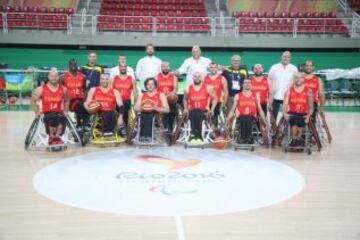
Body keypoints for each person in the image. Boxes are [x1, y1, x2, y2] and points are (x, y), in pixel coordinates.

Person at [31, 69, 69, 145]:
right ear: (48, 77)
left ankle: (57, 137)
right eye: (51, 76)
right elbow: (32, 100)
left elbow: (67, 100)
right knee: (52, 117)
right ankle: (51, 137)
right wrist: (36, 112)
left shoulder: (64, 89)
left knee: (62, 117)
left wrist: (66, 110)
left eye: (55, 76)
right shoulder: (41, 89)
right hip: (47, 113)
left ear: (58, 77)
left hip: (59, 112)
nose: (54, 78)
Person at [227, 79, 266, 144]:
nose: (247, 84)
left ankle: (244, 138)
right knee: (244, 117)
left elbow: (260, 109)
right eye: (245, 83)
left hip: (252, 118)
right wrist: (227, 121)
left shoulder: (256, 95)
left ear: (251, 85)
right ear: (242, 85)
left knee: (247, 117)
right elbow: (232, 109)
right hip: (240, 117)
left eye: (249, 83)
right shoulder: (237, 95)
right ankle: (247, 138)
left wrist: (264, 121)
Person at [183, 72, 217, 144]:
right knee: (194, 111)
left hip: (204, 111)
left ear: (202, 78)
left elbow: (215, 98)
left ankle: (196, 135)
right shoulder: (188, 88)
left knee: (197, 112)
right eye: (195, 76)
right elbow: (185, 99)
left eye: (199, 76)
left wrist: (212, 109)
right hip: (192, 111)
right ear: (193, 78)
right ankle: (196, 135)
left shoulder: (208, 87)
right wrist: (185, 108)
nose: (197, 78)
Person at [283, 73, 313, 147]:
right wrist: (284, 113)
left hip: (303, 113)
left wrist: (309, 116)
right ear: (294, 79)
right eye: (296, 78)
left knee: (301, 119)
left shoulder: (308, 91)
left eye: (300, 78)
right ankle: (294, 139)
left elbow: (311, 107)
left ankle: (298, 139)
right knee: (294, 119)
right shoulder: (289, 90)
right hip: (292, 113)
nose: (298, 79)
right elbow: (285, 103)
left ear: (303, 79)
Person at [268, 51, 298, 121]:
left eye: (288, 57)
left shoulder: (294, 68)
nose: (286, 58)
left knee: (287, 115)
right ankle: (273, 130)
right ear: (281, 57)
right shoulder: (274, 67)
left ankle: (285, 130)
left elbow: (296, 81)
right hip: (275, 96)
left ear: (290, 58)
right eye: (284, 56)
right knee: (273, 115)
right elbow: (269, 79)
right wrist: (270, 90)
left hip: (288, 97)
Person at [61, 59, 89, 130]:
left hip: (80, 99)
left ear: (77, 65)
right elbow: (59, 90)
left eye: (75, 64)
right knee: (79, 105)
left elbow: (85, 89)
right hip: (69, 101)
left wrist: (86, 100)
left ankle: (85, 124)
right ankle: (79, 125)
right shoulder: (63, 77)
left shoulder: (83, 76)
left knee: (89, 106)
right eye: (72, 64)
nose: (73, 66)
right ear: (69, 65)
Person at [112, 64, 138, 129]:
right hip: (116, 102)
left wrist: (136, 104)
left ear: (127, 68)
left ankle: (125, 131)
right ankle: (116, 131)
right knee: (115, 117)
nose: (123, 68)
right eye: (121, 67)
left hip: (126, 101)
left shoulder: (131, 79)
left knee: (125, 117)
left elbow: (135, 93)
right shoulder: (114, 79)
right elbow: (110, 92)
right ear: (119, 68)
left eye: (124, 67)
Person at [156, 61, 178, 133]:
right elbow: (155, 90)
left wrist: (169, 95)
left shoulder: (173, 77)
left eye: (167, 66)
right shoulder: (157, 77)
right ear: (161, 67)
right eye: (163, 66)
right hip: (161, 100)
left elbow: (175, 89)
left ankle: (170, 127)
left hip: (170, 99)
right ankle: (165, 127)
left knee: (173, 97)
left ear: (169, 67)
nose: (165, 68)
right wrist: (162, 98)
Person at [204, 62, 228, 126]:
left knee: (214, 120)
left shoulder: (222, 78)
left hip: (218, 102)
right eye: (211, 67)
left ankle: (214, 133)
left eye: (215, 67)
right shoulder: (205, 78)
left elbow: (226, 92)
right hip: (206, 103)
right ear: (209, 68)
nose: (213, 69)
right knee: (206, 120)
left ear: (217, 69)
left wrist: (224, 103)